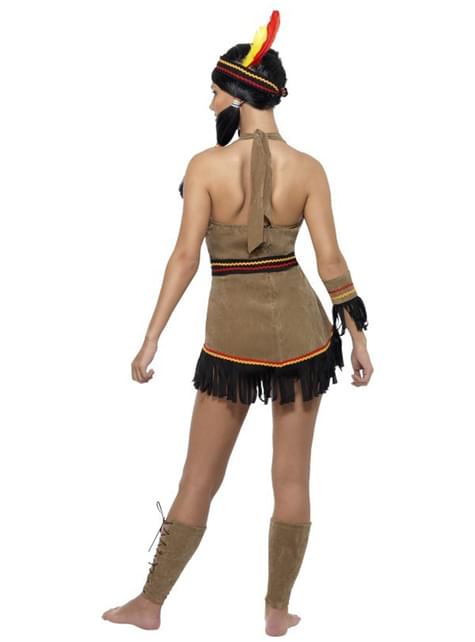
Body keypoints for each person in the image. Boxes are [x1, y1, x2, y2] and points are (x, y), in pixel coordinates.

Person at [102, 9, 373, 636]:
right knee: (292, 479)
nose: (210, 103)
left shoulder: (205, 166)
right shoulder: (309, 168)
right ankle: (277, 611)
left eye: (215, 91)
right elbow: (331, 262)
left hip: (230, 341)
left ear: (239, 93)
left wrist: (151, 338)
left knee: (199, 477)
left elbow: (183, 258)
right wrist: (358, 336)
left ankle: (149, 604)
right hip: (304, 335)